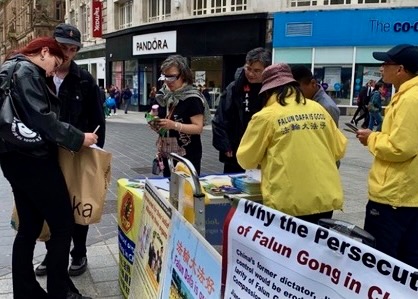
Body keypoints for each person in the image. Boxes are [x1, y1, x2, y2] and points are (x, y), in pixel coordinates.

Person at [0, 37, 96, 299]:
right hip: (35, 159)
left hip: (11, 157)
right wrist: (79, 138)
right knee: (63, 225)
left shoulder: (7, 68)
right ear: (44, 52)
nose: (55, 69)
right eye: (56, 61)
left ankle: (26, 291)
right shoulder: (27, 71)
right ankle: (59, 292)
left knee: (29, 226)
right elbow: (42, 119)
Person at [35, 23, 106, 279]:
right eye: (62, 47)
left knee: (79, 205)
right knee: (50, 207)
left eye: (72, 49)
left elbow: (98, 120)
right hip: (47, 154)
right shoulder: (39, 77)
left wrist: (96, 158)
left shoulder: (85, 81)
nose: (67, 53)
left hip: (78, 153)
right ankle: (52, 254)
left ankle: (79, 253)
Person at [236, 63, 347, 224]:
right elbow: (339, 150)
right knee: (315, 248)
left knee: (289, 249)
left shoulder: (266, 116)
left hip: (288, 203)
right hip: (325, 199)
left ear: (267, 91)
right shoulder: (318, 108)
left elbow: (246, 159)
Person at [356, 44, 418, 268]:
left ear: (400, 69)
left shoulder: (411, 99)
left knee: (382, 262)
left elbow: (400, 148)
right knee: (407, 262)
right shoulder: (406, 95)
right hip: (406, 195)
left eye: (385, 64)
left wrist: (371, 138)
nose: (381, 68)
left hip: (394, 196)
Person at [212, 47, 271, 174]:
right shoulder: (234, 88)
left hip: (263, 148)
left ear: (266, 70)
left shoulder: (272, 90)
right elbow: (220, 118)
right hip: (236, 148)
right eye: (248, 68)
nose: (250, 73)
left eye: (256, 71)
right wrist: (225, 145)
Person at [153, 55, 210, 177]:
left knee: (186, 190)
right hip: (167, 151)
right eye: (165, 76)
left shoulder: (192, 98)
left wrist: (174, 125)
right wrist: (155, 123)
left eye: (172, 77)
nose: (168, 81)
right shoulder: (164, 94)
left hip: (187, 154)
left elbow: (198, 128)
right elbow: (160, 117)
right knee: (168, 188)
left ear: (183, 75)